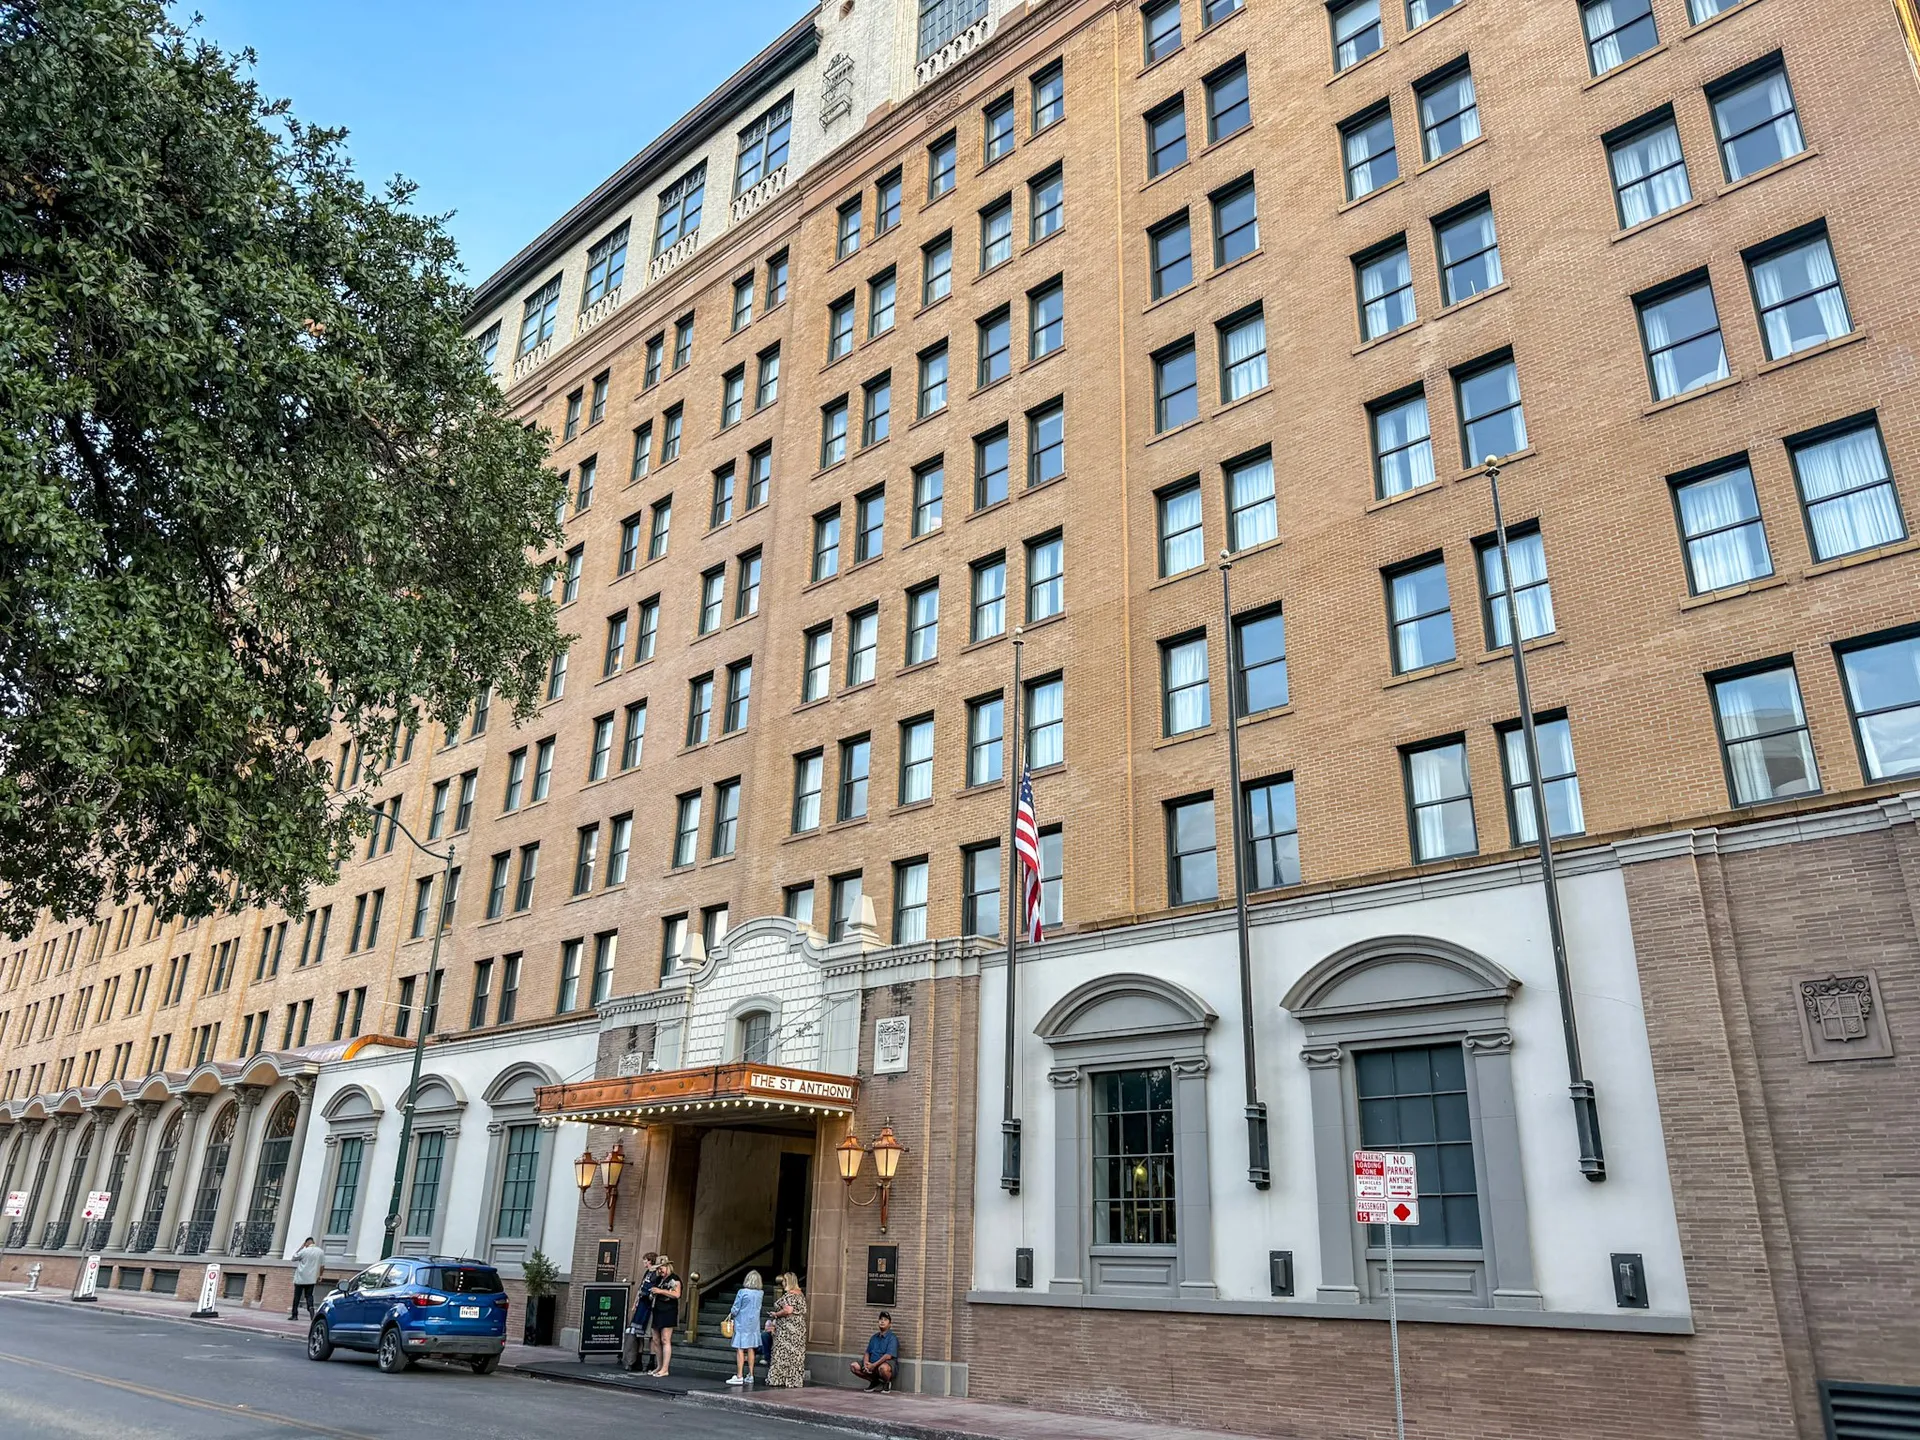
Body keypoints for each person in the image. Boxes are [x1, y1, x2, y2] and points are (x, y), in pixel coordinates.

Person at [764, 1271, 808, 1388]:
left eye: (783, 1281)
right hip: (798, 1329)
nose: (782, 1283)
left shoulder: (790, 1295)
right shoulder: (800, 1294)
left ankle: (778, 1379)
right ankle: (792, 1379)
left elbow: (788, 1310)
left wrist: (776, 1314)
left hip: (787, 1330)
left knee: (782, 1353)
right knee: (794, 1355)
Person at [724, 1269, 764, 1386]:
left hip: (742, 1323)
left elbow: (735, 1308)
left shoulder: (742, 1292)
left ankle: (739, 1375)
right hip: (754, 1324)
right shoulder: (760, 1293)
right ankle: (751, 1375)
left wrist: (731, 1314)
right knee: (751, 1348)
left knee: (740, 1348)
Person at [647, 1256, 681, 1377]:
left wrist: (660, 1291)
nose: (659, 1270)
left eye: (661, 1268)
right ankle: (659, 1366)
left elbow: (677, 1294)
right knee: (656, 1339)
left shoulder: (674, 1279)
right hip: (657, 1309)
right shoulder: (659, 1279)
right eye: (658, 1268)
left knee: (665, 1339)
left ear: (668, 1267)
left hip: (668, 1311)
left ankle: (665, 1368)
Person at [849, 1311, 898, 1391]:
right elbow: (867, 1352)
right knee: (854, 1366)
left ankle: (886, 1382)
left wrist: (873, 1365)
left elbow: (888, 1356)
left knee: (883, 1368)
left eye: (885, 1320)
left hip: (883, 1364)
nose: (882, 1321)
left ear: (889, 1324)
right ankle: (874, 1381)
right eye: (881, 1319)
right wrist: (866, 1364)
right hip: (872, 1363)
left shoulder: (892, 1338)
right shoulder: (874, 1337)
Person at [627, 1252, 659, 1372]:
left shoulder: (656, 1274)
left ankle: (651, 1361)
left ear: (650, 1260)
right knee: (638, 1334)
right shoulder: (647, 1273)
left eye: (645, 1260)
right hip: (641, 1305)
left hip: (649, 1307)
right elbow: (640, 1288)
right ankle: (638, 1360)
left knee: (650, 1335)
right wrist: (635, 1302)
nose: (644, 1262)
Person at [289, 1237, 326, 1322]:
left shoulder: (304, 1251)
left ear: (306, 1243)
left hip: (300, 1278)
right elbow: (322, 1266)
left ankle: (294, 1315)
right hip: (311, 1278)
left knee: (297, 1296)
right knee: (309, 1295)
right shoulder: (320, 1252)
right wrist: (320, 1275)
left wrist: (301, 1247)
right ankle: (311, 1311)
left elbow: (293, 1258)